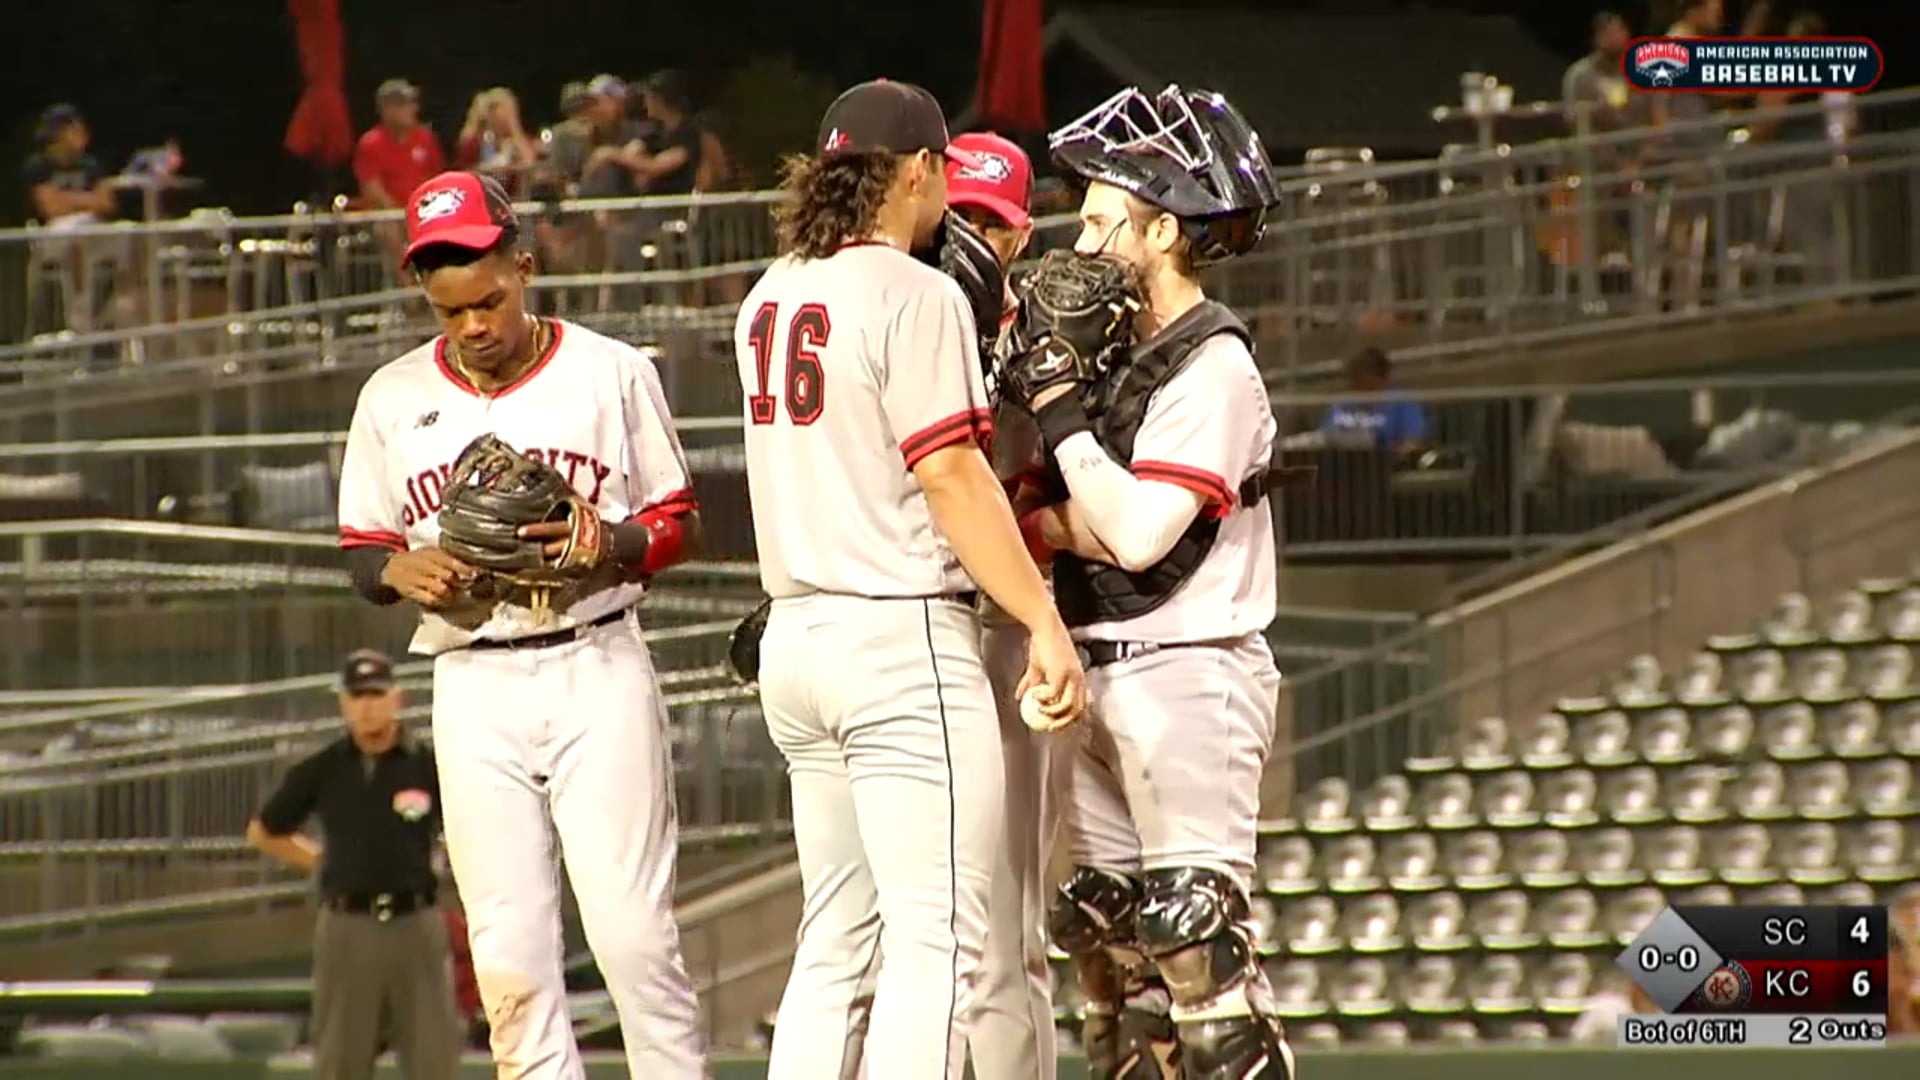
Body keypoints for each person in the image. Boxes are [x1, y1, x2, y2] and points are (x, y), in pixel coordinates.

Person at [733, 80, 1088, 1080]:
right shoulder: (914, 292)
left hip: (796, 639)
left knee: (835, 945)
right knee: (938, 941)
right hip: (896, 639)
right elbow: (953, 476)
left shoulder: (769, 293)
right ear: (923, 169)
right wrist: (1041, 620)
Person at [334, 170, 706, 1078]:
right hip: (472, 677)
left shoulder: (610, 371)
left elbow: (680, 521)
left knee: (632, 934)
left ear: (524, 268)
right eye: (450, 308)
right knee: (509, 952)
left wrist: (611, 540)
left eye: (488, 300)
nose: (472, 325)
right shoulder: (391, 396)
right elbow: (363, 549)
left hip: (594, 660)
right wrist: (397, 571)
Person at [1006, 84, 1292, 1078]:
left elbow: (1133, 534)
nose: (1080, 245)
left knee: (1192, 936)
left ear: (1163, 228)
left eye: (1101, 222)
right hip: (1089, 669)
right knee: (1107, 946)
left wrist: (1058, 418)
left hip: (1190, 670)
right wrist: (1058, 512)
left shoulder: (1213, 365)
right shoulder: (1107, 355)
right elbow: (1042, 516)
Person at [941, 129, 1059, 1080]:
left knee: (1005, 926)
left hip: (1007, 623)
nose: (974, 238)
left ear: (1021, 235)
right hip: (904, 619)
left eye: (991, 223)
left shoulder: (1046, 334)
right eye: (960, 217)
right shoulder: (893, 314)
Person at [245, 649, 462, 1080]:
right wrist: (323, 864)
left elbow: (466, 826)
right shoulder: (323, 768)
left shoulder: (428, 765)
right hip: (347, 926)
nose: (367, 706)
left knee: (433, 1059)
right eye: (358, 696)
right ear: (343, 703)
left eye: (376, 695)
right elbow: (264, 830)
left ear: (397, 698)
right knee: (341, 1060)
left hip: (416, 924)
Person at [1318, 346, 1429, 455]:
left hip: (1384, 461)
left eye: (1361, 375)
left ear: (1380, 377)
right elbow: (1324, 435)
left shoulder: (1403, 402)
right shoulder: (1343, 403)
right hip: (1342, 460)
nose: (1354, 381)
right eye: (1353, 376)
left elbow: (1413, 442)